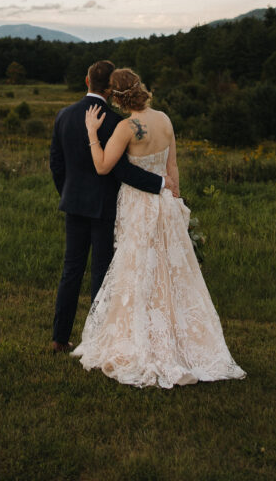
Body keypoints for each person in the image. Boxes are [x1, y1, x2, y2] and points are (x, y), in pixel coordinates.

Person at [71, 67, 245, 387]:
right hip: (165, 203)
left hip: (138, 205)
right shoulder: (164, 119)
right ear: (141, 88)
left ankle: (143, 339)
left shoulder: (125, 128)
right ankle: (177, 339)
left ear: (117, 97)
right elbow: (172, 167)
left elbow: (102, 166)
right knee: (167, 270)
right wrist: (176, 201)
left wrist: (92, 133)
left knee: (137, 269)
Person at [50, 60, 178, 353]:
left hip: (74, 205)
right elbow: (121, 171)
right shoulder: (115, 122)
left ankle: (59, 338)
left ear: (86, 81)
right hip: (106, 207)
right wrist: (161, 184)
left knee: (71, 270)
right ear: (111, 88)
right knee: (101, 273)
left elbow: (56, 164)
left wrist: (68, 194)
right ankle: (97, 341)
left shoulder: (64, 115)